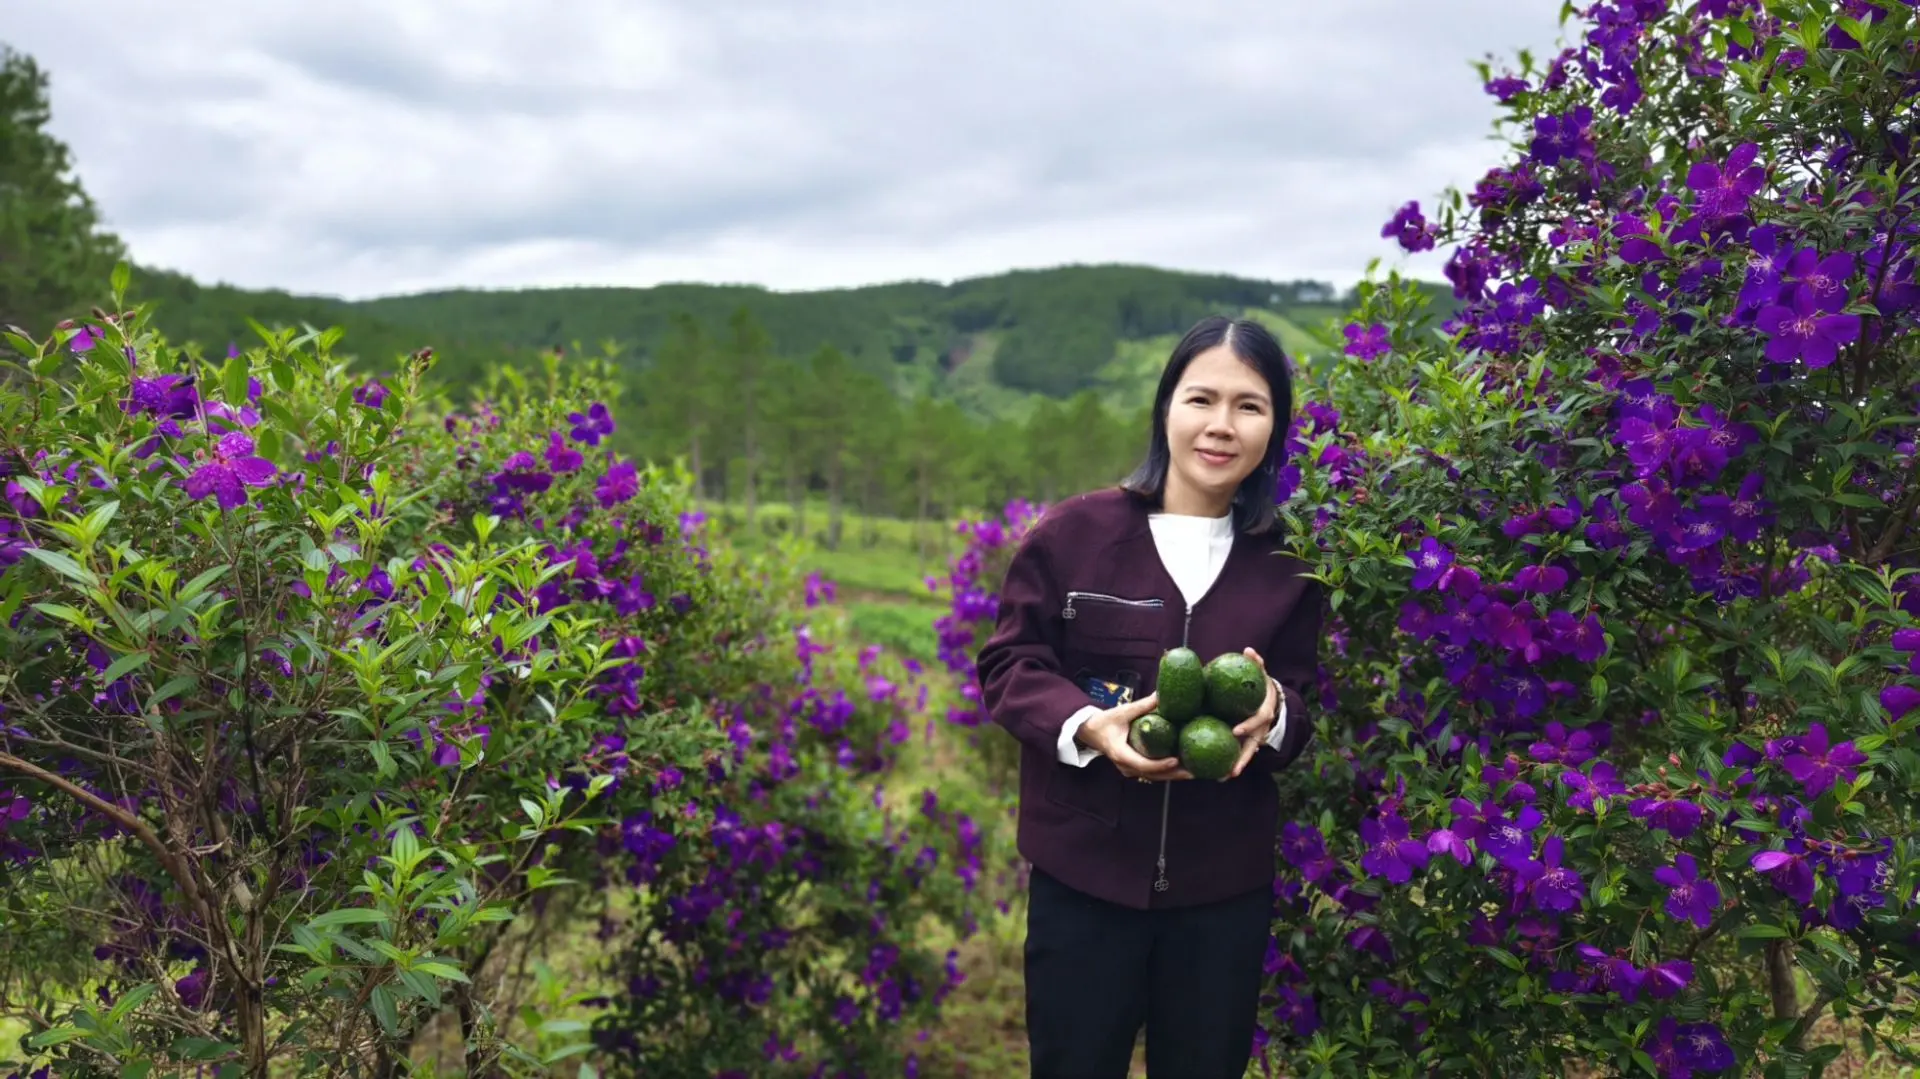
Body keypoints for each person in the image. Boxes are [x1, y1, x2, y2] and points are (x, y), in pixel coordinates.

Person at [975, 315, 1327, 1079]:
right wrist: (1088, 725)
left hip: (1221, 892)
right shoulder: (1074, 535)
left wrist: (1273, 714)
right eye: (1201, 399)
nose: (1221, 426)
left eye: (1250, 406)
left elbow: (1304, 702)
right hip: (1085, 879)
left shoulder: (1289, 565)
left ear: (1277, 426)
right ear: (1166, 406)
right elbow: (1011, 663)